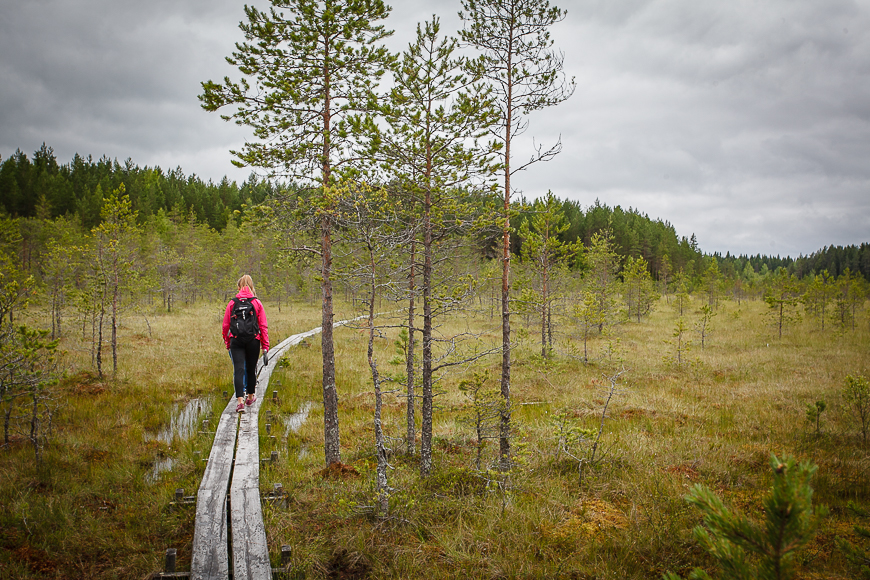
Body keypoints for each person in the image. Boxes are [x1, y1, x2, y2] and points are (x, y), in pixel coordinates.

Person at [222, 275, 270, 413]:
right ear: (251, 286)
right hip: (253, 340)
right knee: (251, 369)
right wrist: (265, 346)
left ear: (239, 287)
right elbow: (263, 326)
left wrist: (228, 342)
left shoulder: (232, 303)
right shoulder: (257, 303)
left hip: (235, 340)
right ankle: (250, 397)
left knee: (238, 370)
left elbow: (225, 325)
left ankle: (240, 402)